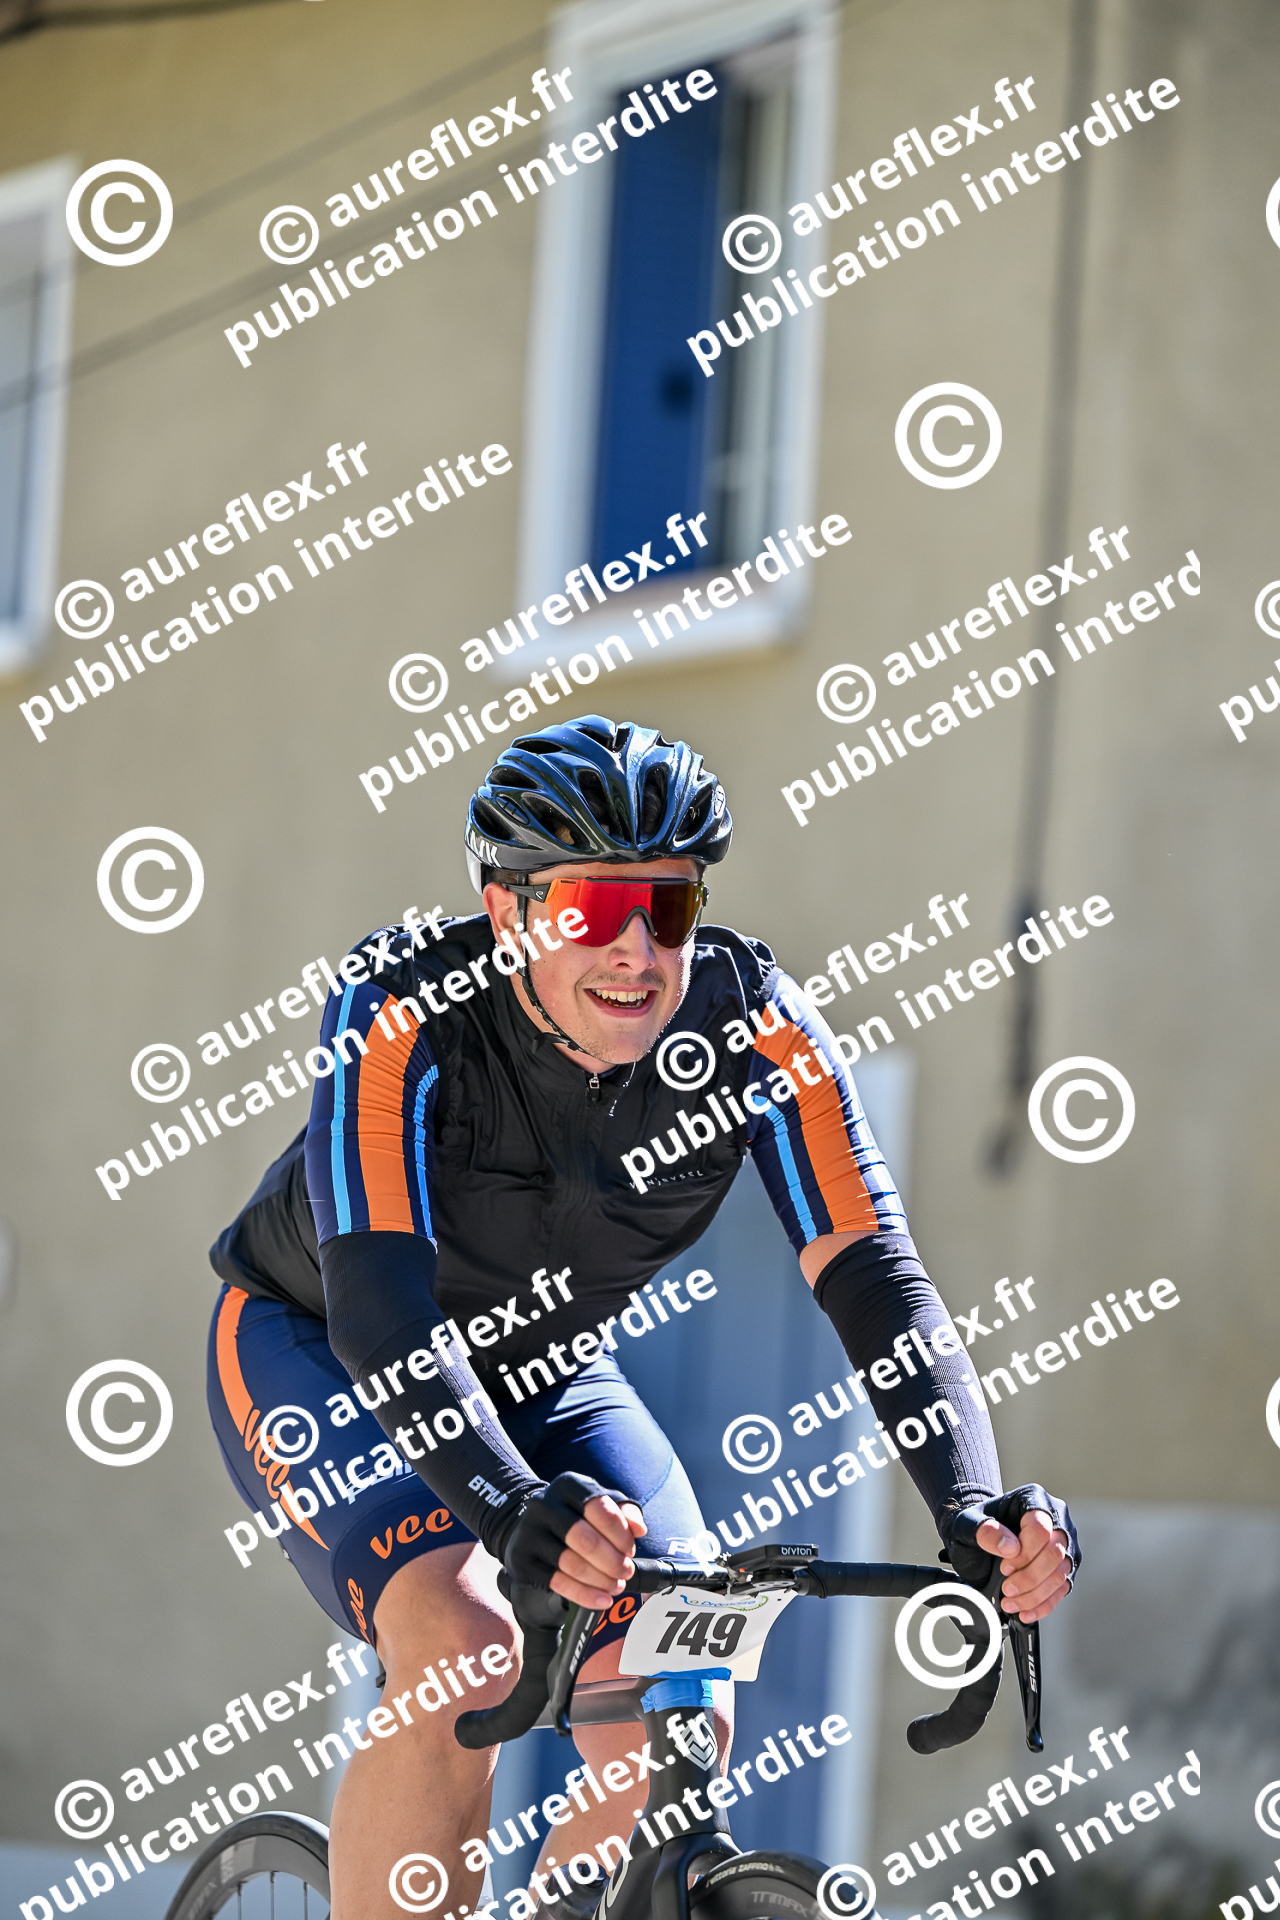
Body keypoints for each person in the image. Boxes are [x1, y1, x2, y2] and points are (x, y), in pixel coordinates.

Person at [206, 715, 1078, 1920]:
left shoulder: (752, 1024)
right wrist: (506, 1509)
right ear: (506, 913)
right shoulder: (401, 1001)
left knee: (682, 1685)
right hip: (322, 1351)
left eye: (665, 908)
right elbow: (380, 1306)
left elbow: (874, 1277)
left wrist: (970, 1504)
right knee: (465, 1646)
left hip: (547, 1368)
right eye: (590, 907)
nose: (634, 950)